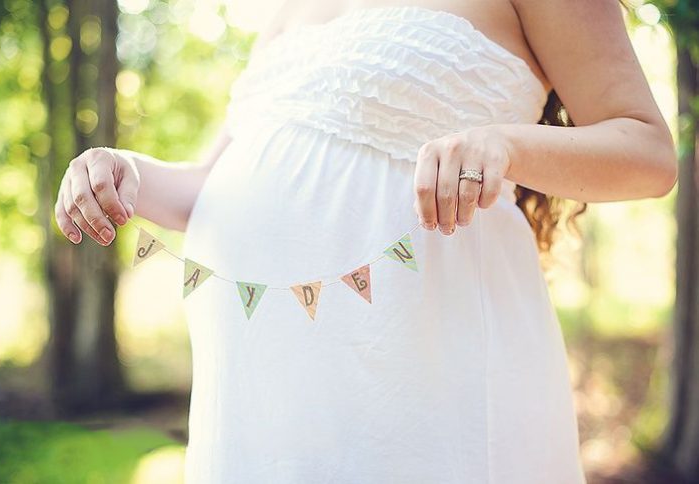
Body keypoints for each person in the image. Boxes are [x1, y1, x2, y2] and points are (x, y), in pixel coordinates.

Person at [54, 0, 677, 482]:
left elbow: (649, 152)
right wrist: (123, 172)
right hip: (260, 397)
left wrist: (506, 144)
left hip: (420, 377)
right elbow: (206, 189)